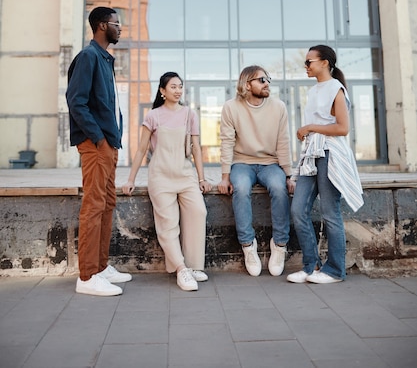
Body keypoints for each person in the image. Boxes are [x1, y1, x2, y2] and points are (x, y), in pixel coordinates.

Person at [122, 72, 212, 291]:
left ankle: (193, 266)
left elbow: (195, 149)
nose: (178, 90)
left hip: (185, 175)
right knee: (168, 225)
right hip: (160, 177)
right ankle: (182, 269)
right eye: (173, 87)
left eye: (180, 86)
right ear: (162, 91)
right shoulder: (153, 116)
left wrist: (201, 177)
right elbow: (142, 148)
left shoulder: (189, 114)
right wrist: (130, 179)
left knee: (199, 211)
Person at [66, 6, 132, 296]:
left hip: (108, 144)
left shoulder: (105, 60)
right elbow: (76, 101)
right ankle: (87, 275)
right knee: (93, 206)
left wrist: (112, 139)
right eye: (117, 24)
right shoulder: (88, 57)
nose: (120, 29)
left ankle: (101, 267)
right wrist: (98, 138)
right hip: (96, 145)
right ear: (103, 25)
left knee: (106, 204)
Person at [287, 45, 364, 285]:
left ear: (325, 63)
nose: (306, 66)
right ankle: (312, 266)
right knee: (298, 210)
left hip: (330, 153)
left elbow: (342, 128)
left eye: (309, 62)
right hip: (312, 153)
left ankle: (335, 270)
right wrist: (307, 133)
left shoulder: (336, 89)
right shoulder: (315, 90)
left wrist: (309, 127)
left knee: (330, 213)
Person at [218, 65, 293, 277]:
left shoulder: (278, 107)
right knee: (240, 187)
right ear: (247, 83)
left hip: (270, 163)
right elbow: (226, 142)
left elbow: (283, 142)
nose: (267, 83)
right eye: (261, 80)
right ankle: (248, 245)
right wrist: (225, 176)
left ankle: (279, 244)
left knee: (279, 188)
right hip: (242, 162)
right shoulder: (231, 107)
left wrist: (288, 174)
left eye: (268, 78)